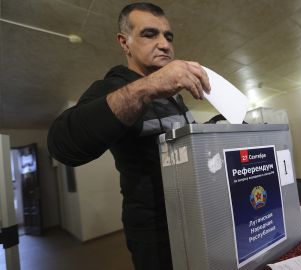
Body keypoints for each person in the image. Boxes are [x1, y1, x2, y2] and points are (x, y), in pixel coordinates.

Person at [47, 3, 211, 270]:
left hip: (192, 215)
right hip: (154, 231)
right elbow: (60, 145)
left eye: (168, 36)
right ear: (125, 42)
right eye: (150, 34)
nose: (165, 45)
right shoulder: (111, 87)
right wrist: (148, 87)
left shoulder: (175, 98)